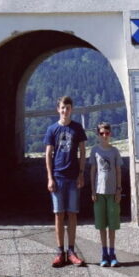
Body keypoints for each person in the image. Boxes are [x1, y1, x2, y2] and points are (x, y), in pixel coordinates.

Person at [45, 95, 87, 267]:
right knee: (58, 214)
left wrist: (81, 173)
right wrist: (49, 177)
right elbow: (48, 154)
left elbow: (83, 152)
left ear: (71, 109)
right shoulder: (52, 129)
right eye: (62, 107)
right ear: (58, 109)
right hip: (58, 177)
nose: (65, 111)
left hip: (73, 177)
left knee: (72, 214)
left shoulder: (77, 128)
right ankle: (59, 251)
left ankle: (71, 251)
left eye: (68, 107)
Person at [90, 121, 122, 267]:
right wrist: (92, 190)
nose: (104, 136)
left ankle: (112, 253)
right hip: (99, 191)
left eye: (107, 133)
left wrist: (119, 189)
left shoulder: (114, 151)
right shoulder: (95, 150)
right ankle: (104, 253)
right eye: (102, 133)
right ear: (98, 135)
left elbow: (118, 170)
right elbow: (93, 171)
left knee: (112, 224)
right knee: (101, 224)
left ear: (110, 134)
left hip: (112, 192)